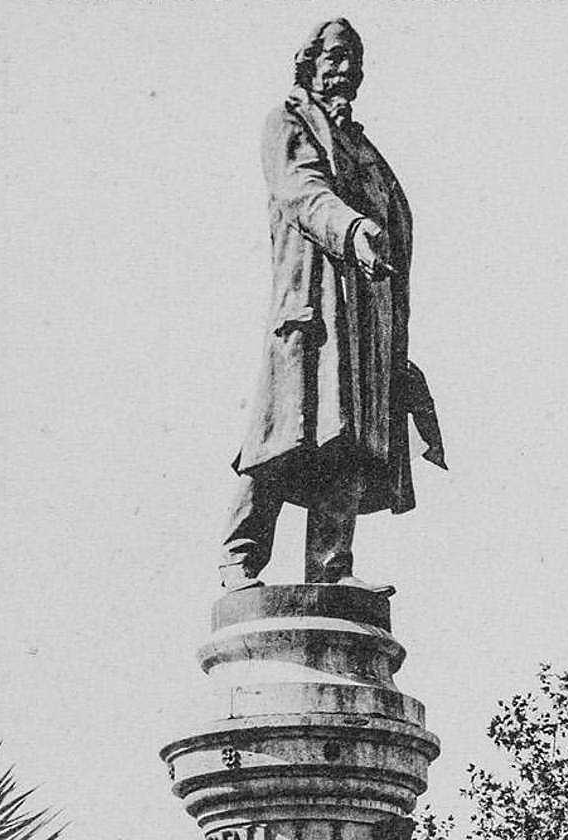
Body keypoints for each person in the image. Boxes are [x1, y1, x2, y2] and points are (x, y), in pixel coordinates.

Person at [219, 19, 445, 596]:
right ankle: (240, 559)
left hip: (367, 316)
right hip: (313, 306)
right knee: (282, 433)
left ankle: (332, 567)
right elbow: (302, 191)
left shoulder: (367, 151)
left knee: (347, 440)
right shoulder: (289, 121)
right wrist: (354, 230)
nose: (347, 69)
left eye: (356, 59)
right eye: (337, 56)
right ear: (309, 61)